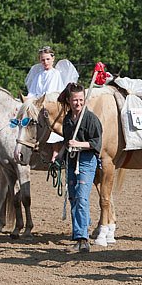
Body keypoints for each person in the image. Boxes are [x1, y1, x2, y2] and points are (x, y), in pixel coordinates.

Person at [57, 82, 103, 253]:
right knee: (74, 198)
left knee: (82, 198)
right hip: (71, 161)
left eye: (81, 100)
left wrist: (79, 144)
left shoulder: (90, 119)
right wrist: (59, 154)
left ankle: (82, 238)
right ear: (69, 100)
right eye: (75, 100)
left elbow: (97, 142)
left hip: (86, 161)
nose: (78, 103)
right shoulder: (68, 120)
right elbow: (66, 141)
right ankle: (81, 230)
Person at [25, 46, 79, 161]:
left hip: (51, 102)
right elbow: (32, 92)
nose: (45, 62)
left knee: (50, 117)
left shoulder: (55, 74)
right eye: (43, 60)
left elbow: (53, 92)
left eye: (48, 59)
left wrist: (41, 101)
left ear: (53, 59)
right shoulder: (38, 76)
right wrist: (29, 100)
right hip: (38, 103)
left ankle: (56, 150)